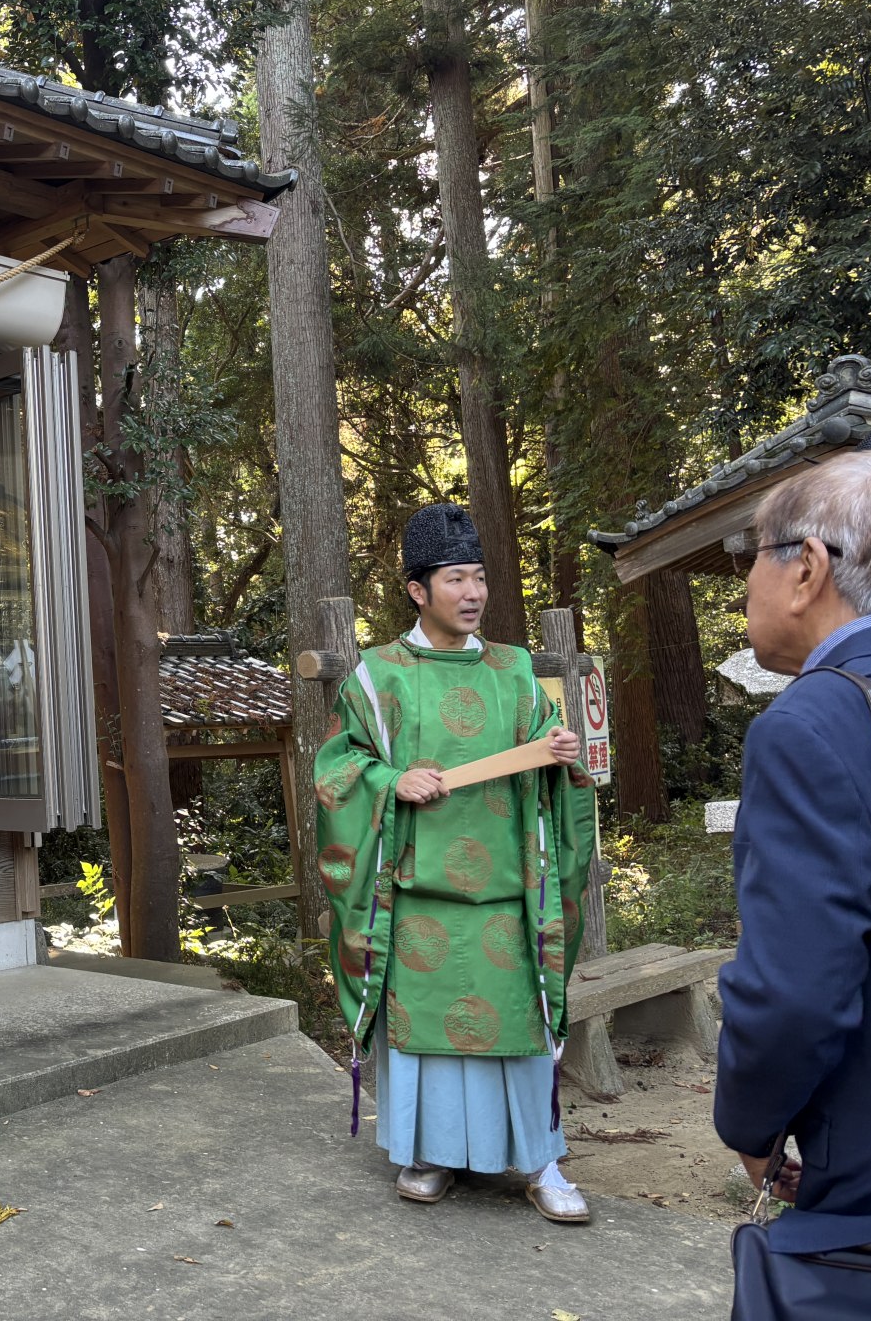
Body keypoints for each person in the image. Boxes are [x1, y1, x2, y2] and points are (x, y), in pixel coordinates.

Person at [314, 503, 599, 1222]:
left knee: (519, 1027)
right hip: (418, 892)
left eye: (479, 578)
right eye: (455, 579)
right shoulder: (378, 676)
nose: (473, 594)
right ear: (418, 590)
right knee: (427, 1037)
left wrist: (562, 757)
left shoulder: (515, 671)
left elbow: (548, 751)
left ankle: (541, 1160)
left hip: (507, 892)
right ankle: (430, 1152)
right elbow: (338, 769)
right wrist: (389, 781)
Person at [714, 448, 871, 1315]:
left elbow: (795, 993)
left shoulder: (815, 722)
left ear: (808, 568)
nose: (744, 587)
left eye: (752, 558)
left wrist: (752, 1126)